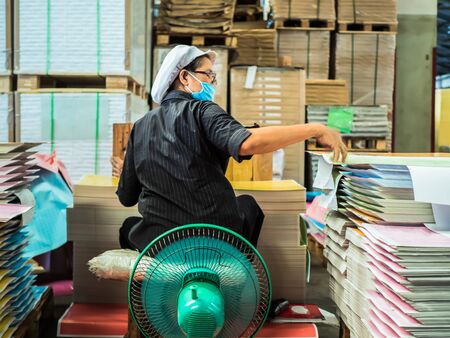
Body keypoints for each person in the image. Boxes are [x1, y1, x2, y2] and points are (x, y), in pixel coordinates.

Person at [113, 45, 347, 252]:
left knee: (128, 228)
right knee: (248, 206)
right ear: (185, 77)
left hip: (163, 244)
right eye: (209, 75)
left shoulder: (140, 126)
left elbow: (126, 197)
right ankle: (237, 276)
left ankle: (157, 287)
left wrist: (132, 170)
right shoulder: (203, 110)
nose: (212, 83)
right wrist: (315, 128)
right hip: (213, 239)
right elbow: (246, 143)